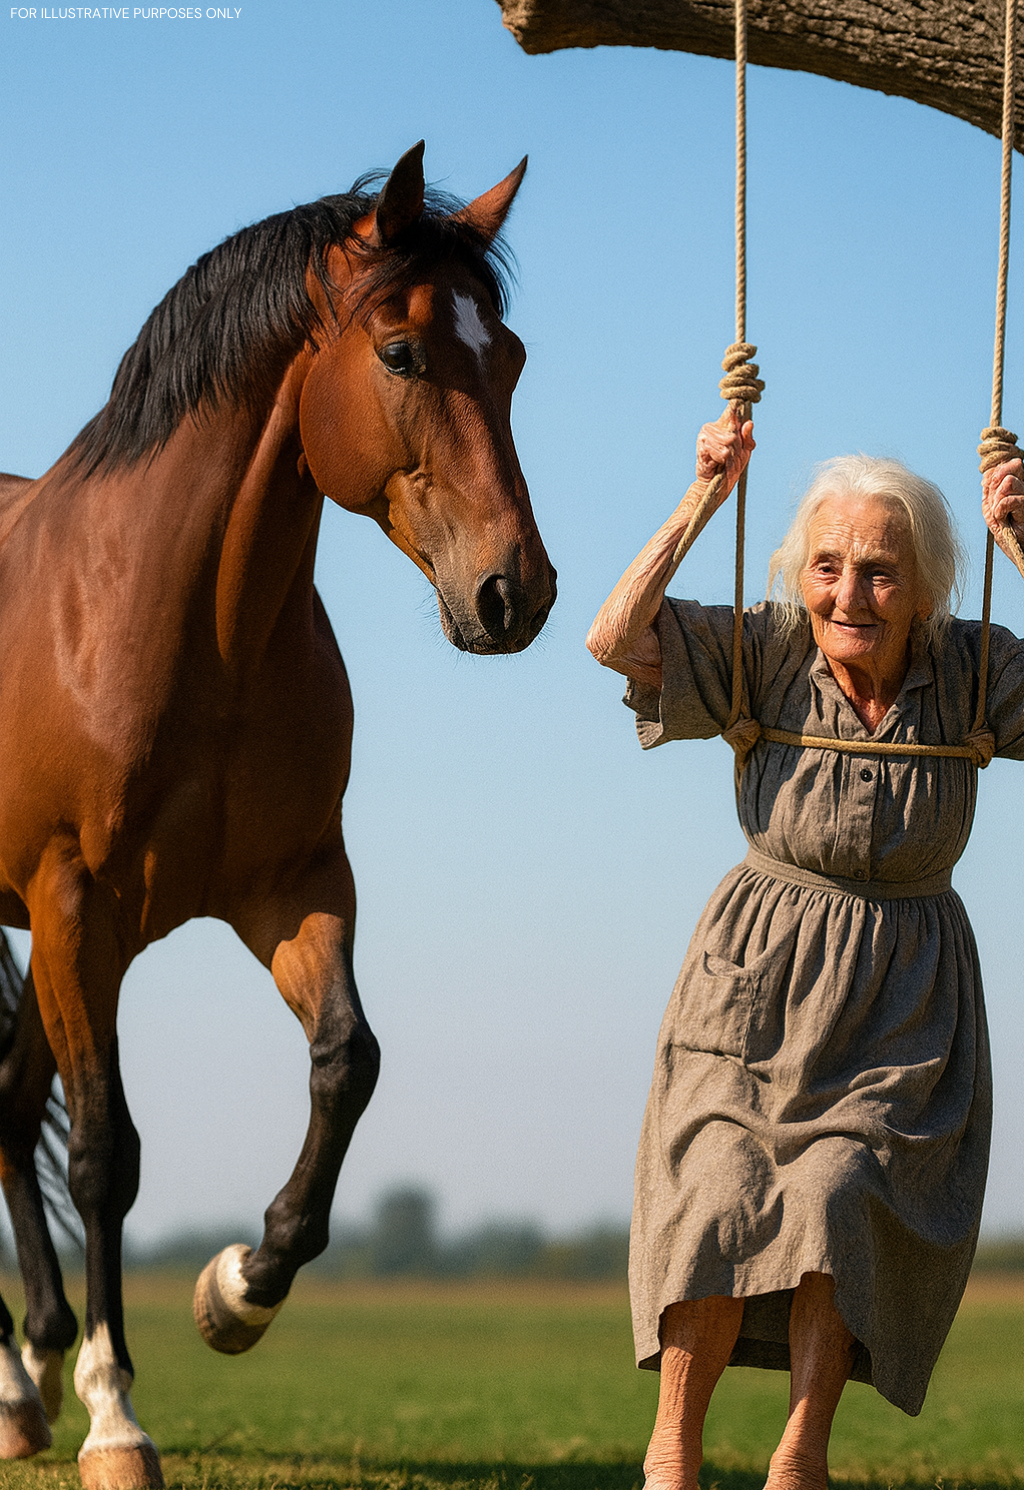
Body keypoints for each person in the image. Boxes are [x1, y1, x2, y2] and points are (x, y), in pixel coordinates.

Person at [586, 408, 1024, 1490]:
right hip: (755, 974)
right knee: (718, 1184)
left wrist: (1023, 536)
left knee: (838, 1194)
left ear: (925, 584)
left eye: (878, 571)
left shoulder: (971, 672)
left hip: (903, 994)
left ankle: (798, 1459)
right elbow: (613, 640)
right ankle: (671, 1453)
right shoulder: (769, 651)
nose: (846, 593)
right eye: (825, 566)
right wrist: (702, 499)